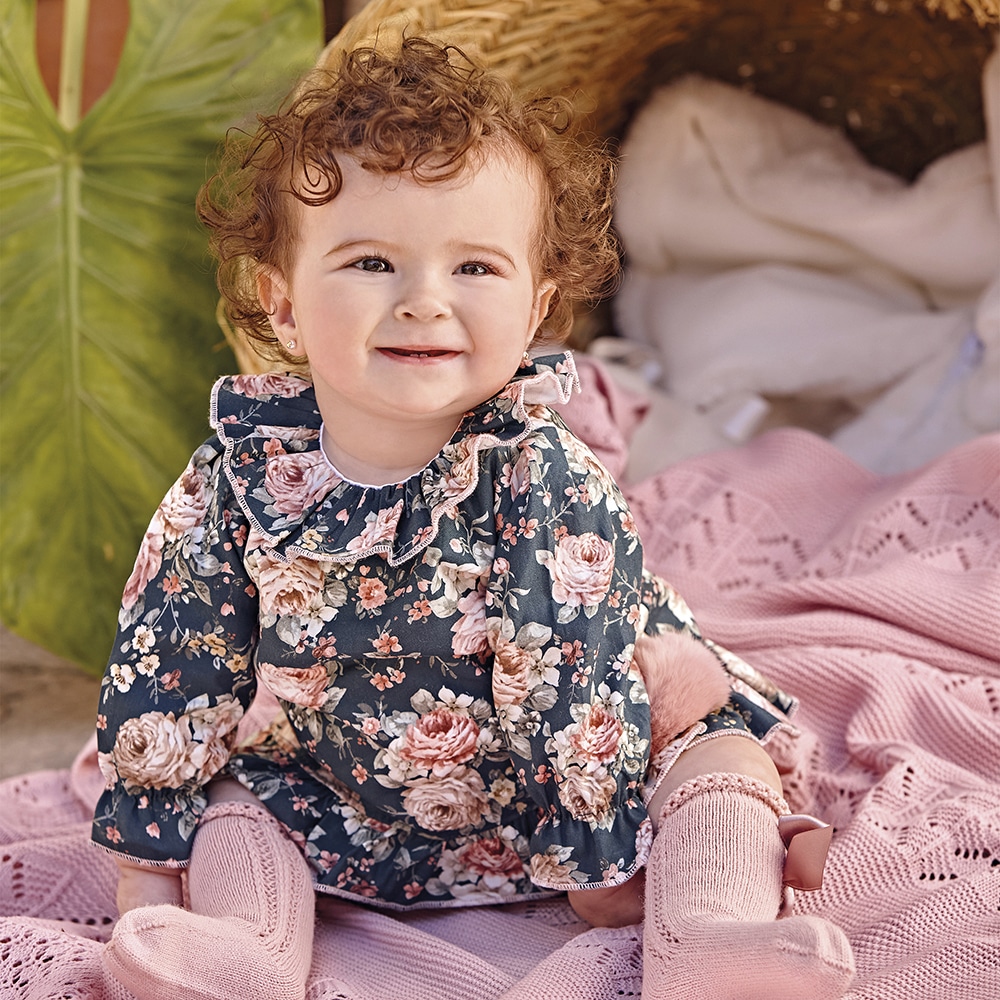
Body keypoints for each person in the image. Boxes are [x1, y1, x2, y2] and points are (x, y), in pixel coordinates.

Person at [91, 37, 854, 1000]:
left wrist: (593, 858)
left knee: (720, 759)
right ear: (282, 306)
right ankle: (242, 948)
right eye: (373, 261)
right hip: (349, 795)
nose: (424, 302)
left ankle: (713, 934)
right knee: (235, 801)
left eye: (476, 269)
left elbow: (570, 673)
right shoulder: (241, 480)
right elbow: (171, 657)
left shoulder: (540, 476)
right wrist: (147, 856)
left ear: (536, 310)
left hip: (593, 778)